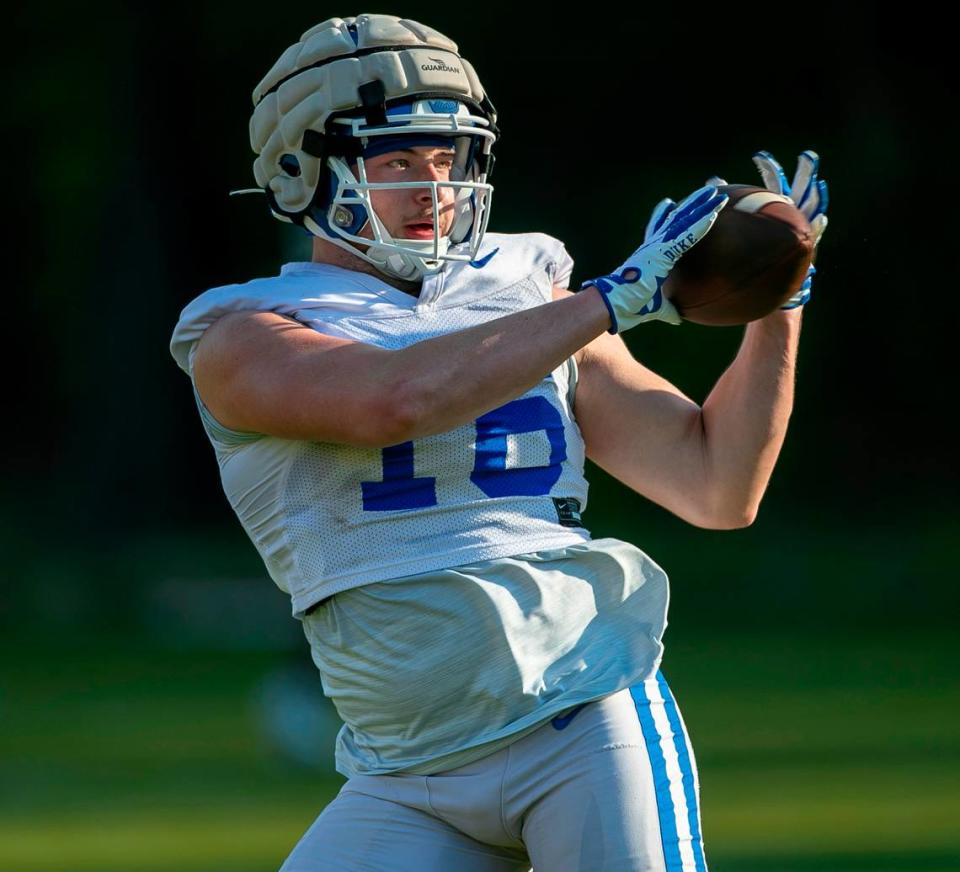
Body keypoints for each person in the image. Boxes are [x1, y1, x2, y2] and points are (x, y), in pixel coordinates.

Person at [169, 13, 829, 872]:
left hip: (581, 716)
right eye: (398, 159)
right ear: (303, 170)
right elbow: (394, 400)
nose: (433, 188)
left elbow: (717, 485)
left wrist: (776, 305)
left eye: (449, 159)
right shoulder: (244, 330)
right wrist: (610, 300)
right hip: (402, 769)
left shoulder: (532, 287)